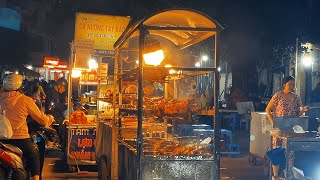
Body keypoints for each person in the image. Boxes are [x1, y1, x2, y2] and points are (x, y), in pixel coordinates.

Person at [0, 73, 54, 180]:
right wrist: (50, 119)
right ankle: (35, 178)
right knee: (33, 156)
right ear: (20, 86)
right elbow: (42, 120)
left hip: (1, 140)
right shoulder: (25, 100)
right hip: (20, 139)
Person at [265, 75, 309, 178]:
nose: (291, 86)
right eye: (289, 84)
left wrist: (303, 110)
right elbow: (268, 109)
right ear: (284, 85)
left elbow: (298, 114)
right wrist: (273, 122)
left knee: (290, 153)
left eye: (293, 84)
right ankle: (275, 175)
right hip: (279, 130)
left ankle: (288, 174)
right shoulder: (277, 96)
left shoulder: (296, 98)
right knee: (277, 151)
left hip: (291, 130)